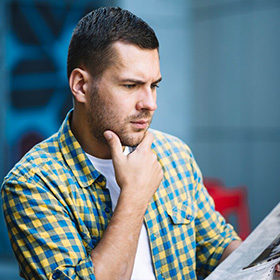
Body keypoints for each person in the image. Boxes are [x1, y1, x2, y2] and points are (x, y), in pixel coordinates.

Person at [1, 6, 279, 280]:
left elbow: (216, 247)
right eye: (130, 85)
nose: (150, 104)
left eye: (153, 85)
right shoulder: (33, 183)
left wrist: (267, 265)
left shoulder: (173, 154)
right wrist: (134, 195)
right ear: (81, 86)